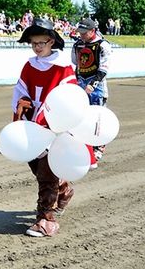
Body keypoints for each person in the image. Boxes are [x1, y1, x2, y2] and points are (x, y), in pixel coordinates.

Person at [12, 18, 78, 237]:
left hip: (54, 125)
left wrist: (48, 119)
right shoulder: (29, 66)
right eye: (34, 43)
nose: (37, 47)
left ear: (51, 41)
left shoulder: (63, 68)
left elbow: (67, 98)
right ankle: (63, 189)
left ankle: (45, 219)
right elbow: (21, 90)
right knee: (36, 165)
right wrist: (23, 105)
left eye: (41, 42)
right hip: (32, 123)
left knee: (46, 170)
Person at [72, 17, 111, 166]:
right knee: (82, 116)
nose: (81, 35)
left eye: (84, 32)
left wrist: (93, 84)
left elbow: (104, 68)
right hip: (81, 82)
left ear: (92, 31)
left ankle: (99, 145)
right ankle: (85, 146)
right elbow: (76, 64)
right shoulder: (77, 45)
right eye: (80, 32)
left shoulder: (103, 45)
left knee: (98, 117)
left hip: (97, 86)